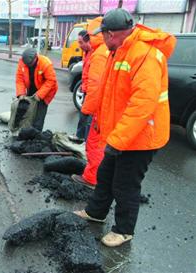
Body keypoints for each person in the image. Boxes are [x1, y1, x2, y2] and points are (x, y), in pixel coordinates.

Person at [74, 8, 176, 247]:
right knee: (106, 175)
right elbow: (111, 96)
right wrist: (101, 126)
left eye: (104, 35)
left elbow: (142, 105)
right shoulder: (119, 51)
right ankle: (96, 213)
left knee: (125, 184)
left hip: (142, 137)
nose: (102, 39)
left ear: (111, 34)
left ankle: (123, 230)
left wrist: (117, 140)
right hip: (123, 133)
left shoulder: (144, 55)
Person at [71, 17, 109, 188]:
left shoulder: (100, 54)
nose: (81, 43)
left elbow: (96, 84)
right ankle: (96, 174)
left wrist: (87, 109)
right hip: (102, 103)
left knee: (94, 141)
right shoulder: (101, 51)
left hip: (99, 105)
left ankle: (92, 178)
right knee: (97, 141)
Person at [15, 48, 58, 131]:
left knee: (40, 113)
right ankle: (25, 129)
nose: (28, 65)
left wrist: (40, 95)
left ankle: (36, 132)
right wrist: (21, 94)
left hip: (46, 91)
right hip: (31, 88)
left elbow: (51, 81)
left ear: (35, 57)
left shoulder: (45, 63)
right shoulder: (22, 63)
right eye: (27, 64)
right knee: (27, 110)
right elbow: (19, 79)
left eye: (30, 64)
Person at [68, 30, 93, 143]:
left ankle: (86, 142)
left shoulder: (95, 54)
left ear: (88, 41)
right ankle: (80, 136)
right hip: (86, 89)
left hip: (92, 91)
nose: (79, 45)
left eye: (80, 42)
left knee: (88, 117)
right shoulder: (87, 52)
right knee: (83, 114)